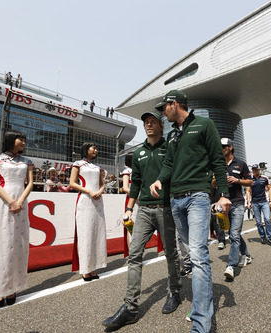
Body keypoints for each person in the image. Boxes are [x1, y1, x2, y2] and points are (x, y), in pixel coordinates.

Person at [150, 89, 231, 332]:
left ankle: (201, 322)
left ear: (174, 104)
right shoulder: (173, 135)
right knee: (191, 255)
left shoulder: (204, 125)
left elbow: (217, 159)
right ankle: (204, 303)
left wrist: (224, 194)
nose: (162, 113)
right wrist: (159, 180)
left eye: (163, 108)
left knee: (198, 255)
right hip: (176, 200)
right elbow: (168, 164)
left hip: (198, 197)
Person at [103, 110, 182, 329]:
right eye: (146, 122)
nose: (148, 125)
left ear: (161, 126)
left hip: (166, 208)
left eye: (152, 122)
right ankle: (130, 307)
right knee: (135, 254)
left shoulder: (170, 148)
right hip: (144, 210)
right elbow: (135, 183)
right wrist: (129, 209)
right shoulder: (138, 154)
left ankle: (174, 291)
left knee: (171, 253)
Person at [0, 130, 33, 307]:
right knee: (1, 245)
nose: (23, 142)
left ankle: (13, 287)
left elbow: (29, 184)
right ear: (10, 140)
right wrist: (11, 201)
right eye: (20, 139)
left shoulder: (27, 162)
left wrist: (19, 201)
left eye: (24, 139)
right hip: (3, 203)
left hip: (21, 204)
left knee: (18, 245)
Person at [69, 142, 107, 281]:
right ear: (86, 149)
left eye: (96, 148)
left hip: (98, 201)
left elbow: (102, 184)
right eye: (94, 148)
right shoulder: (78, 164)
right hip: (85, 200)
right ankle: (85, 269)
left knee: (97, 233)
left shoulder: (97, 167)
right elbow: (72, 183)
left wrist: (100, 191)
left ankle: (94, 268)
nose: (96, 150)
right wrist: (89, 191)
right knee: (85, 234)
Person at [219, 138, 253, 281]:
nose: (222, 148)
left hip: (238, 203)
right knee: (233, 233)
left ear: (231, 147)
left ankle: (231, 266)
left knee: (233, 234)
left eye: (225, 146)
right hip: (223, 204)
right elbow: (213, 184)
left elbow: (250, 182)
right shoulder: (218, 164)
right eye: (220, 147)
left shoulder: (241, 164)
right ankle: (247, 255)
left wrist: (237, 180)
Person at [250, 164, 271, 246]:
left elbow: (270, 188)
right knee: (258, 222)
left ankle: (270, 238)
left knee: (267, 219)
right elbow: (247, 191)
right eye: (253, 170)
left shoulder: (265, 178)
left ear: (259, 170)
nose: (255, 171)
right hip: (254, 203)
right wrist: (248, 202)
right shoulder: (250, 179)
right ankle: (262, 237)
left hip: (264, 202)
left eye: (256, 169)